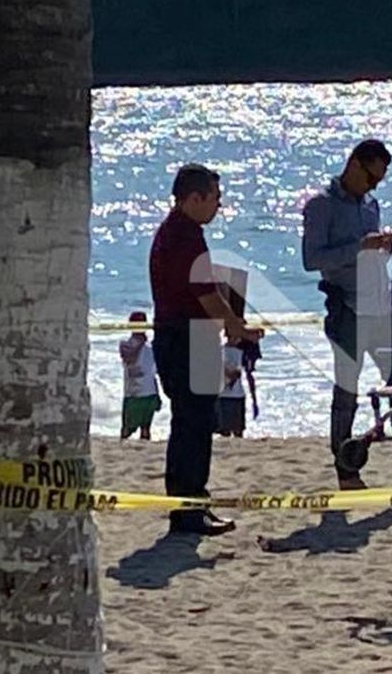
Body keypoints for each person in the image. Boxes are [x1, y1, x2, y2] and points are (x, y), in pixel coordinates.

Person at [302, 139, 392, 490]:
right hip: (347, 309)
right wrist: (360, 246)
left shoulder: (371, 204)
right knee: (347, 392)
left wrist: (382, 248)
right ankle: (347, 473)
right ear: (354, 164)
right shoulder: (321, 205)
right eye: (370, 177)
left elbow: (375, 263)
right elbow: (312, 259)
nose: (373, 186)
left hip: (382, 307)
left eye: (379, 181)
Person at [150, 163, 263, 536]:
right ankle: (188, 510)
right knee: (192, 424)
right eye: (215, 198)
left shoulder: (180, 232)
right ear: (194, 198)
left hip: (188, 335)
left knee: (194, 423)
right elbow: (205, 294)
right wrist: (236, 326)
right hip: (185, 337)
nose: (219, 205)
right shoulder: (184, 236)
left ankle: (194, 504)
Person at [119, 310, 161, 441]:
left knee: (137, 429)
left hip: (141, 392)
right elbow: (130, 359)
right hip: (140, 392)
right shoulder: (130, 345)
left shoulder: (146, 347)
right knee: (136, 429)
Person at [215, 336, 246, 438]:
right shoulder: (221, 350)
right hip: (224, 395)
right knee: (225, 430)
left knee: (238, 429)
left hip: (237, 394)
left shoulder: (240, 351)